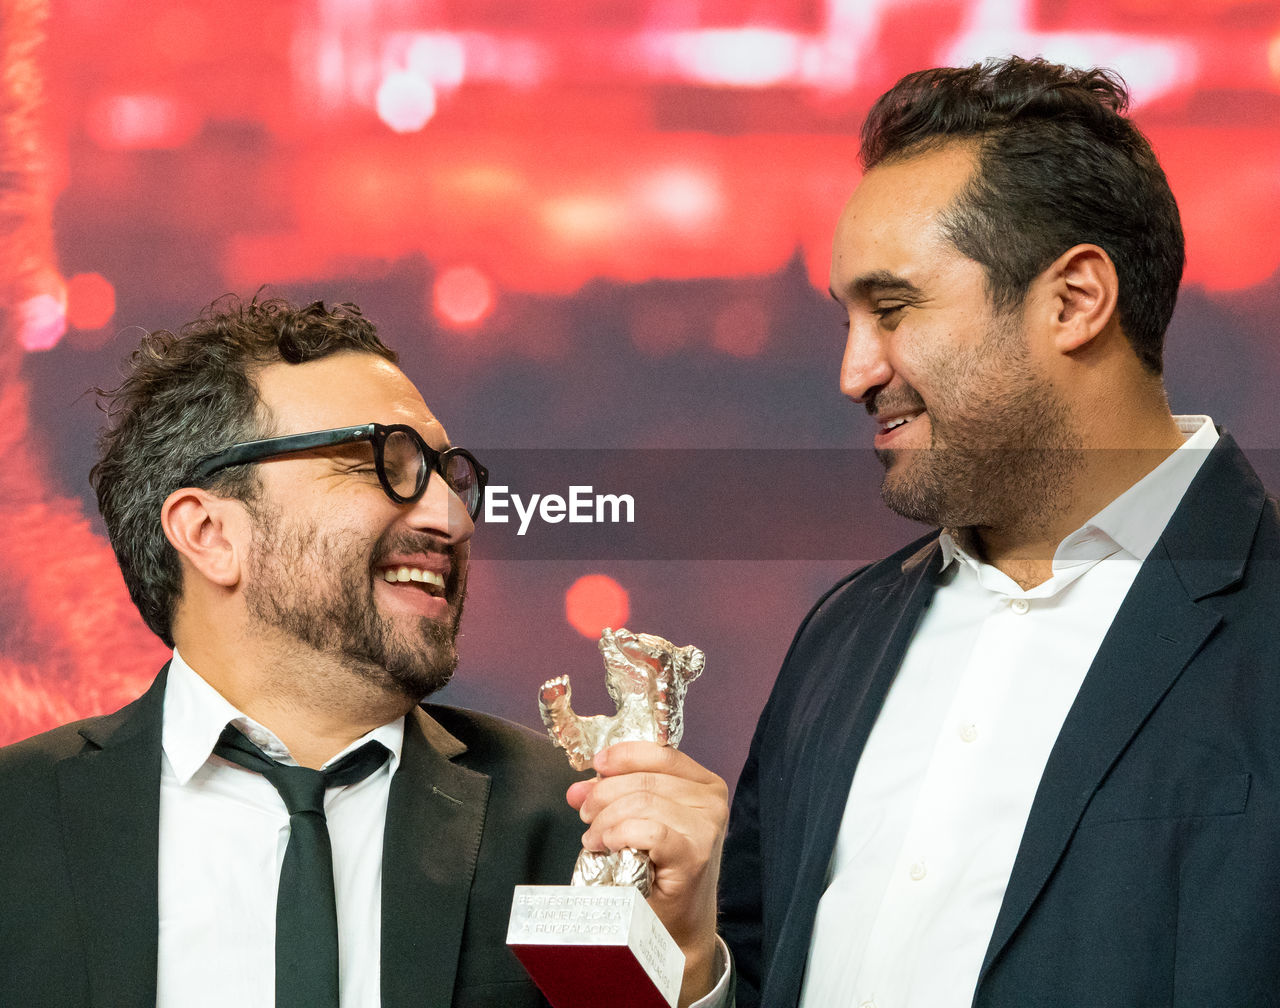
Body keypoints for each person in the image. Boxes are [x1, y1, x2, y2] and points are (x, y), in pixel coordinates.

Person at [719, 55, 1280, 1007]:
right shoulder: (839, 639)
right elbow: (760, 962)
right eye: (848, 320)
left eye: (892, 310)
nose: (854, 372)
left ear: (1074, 301)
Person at [0, 296, 729, 1008]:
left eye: (451, 476)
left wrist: (684, 964)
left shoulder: (574, 823)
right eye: (383, 461)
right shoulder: (18, 820)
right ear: (210, 533)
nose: (452, 518)